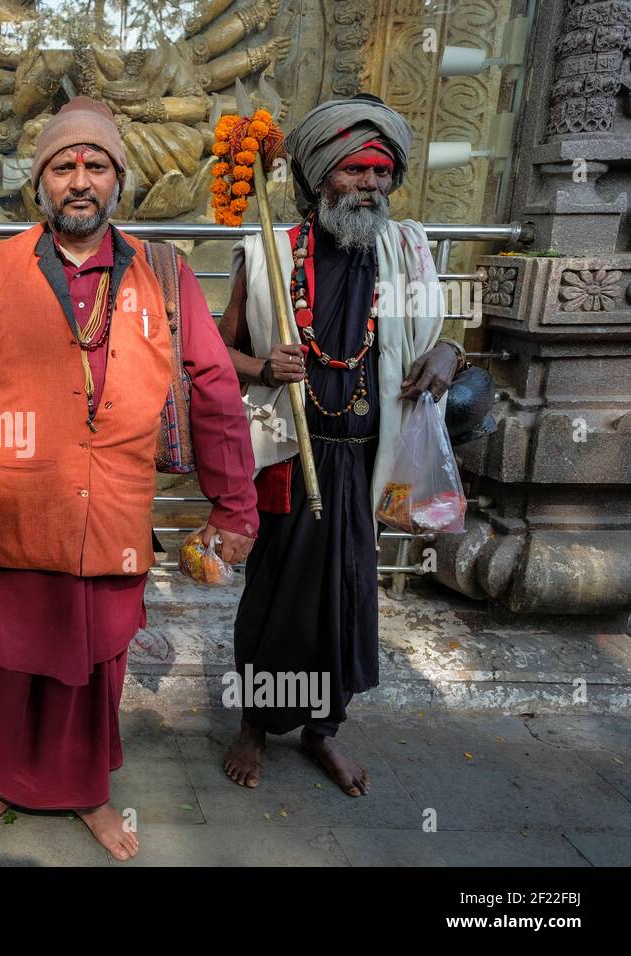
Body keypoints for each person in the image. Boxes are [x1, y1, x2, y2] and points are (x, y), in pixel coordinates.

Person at [0, 96, 259, 860]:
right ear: (41, 183)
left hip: (109, 512)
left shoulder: (164, 276)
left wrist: (235, 507)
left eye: (96, 166)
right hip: (14, 507)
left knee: (94, 670)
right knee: (1, 663)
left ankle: (86, 793)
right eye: (64, 166)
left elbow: (213, 390)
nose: (80, 180)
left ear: (118, 182)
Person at [218, 94, 465, 795]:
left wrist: (448, 354)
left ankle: (323, 733)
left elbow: (439, 342)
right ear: (323, 175)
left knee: (348, 601)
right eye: (356, 171)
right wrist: (265, 368)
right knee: (274, 599)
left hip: (364, 459)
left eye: (382, 173)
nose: (371, 186)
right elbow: (212, 352)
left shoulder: (406, 252)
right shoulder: (268, 255)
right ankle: (254, 728)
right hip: (290, 456)